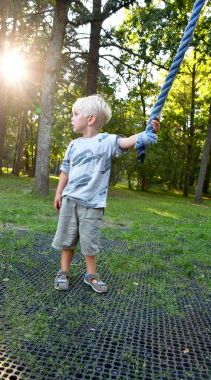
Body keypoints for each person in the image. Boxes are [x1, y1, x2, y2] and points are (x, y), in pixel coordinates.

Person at [52, 95, 160, 293]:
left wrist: (146, 134)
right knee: (67, 238)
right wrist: (59, 192)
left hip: (93, 203)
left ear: (90, 119)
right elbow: (65, 169)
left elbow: (126, 141)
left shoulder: (106, 141)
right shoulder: (73, 145)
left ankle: (91, 274)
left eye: (76, 114)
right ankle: (64, 271)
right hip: (70, 199)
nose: (72, 118)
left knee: (89, 241)